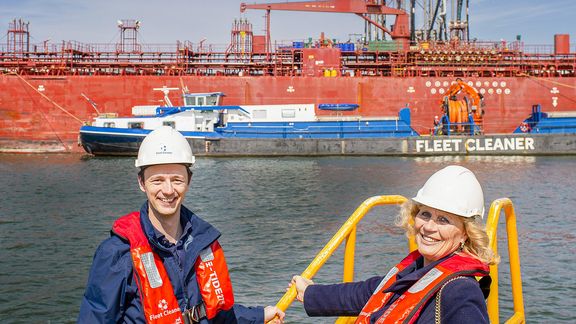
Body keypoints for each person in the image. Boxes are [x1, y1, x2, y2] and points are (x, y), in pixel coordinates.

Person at [79, 126, 284, 324]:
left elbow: (215, 314)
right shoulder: (117, 253)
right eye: (157, 180)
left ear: (189, 181)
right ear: (141, 183)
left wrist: (258, 316)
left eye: (176, 180)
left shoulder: (203, 243)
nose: (168, 190)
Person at [290, 165, 499, 323]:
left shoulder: (460, 291)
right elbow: (365, 293)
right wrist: (310, 293)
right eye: (425, 214)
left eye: (443, 220)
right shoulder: (416, 270)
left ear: (465, 234)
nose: (428, 227)